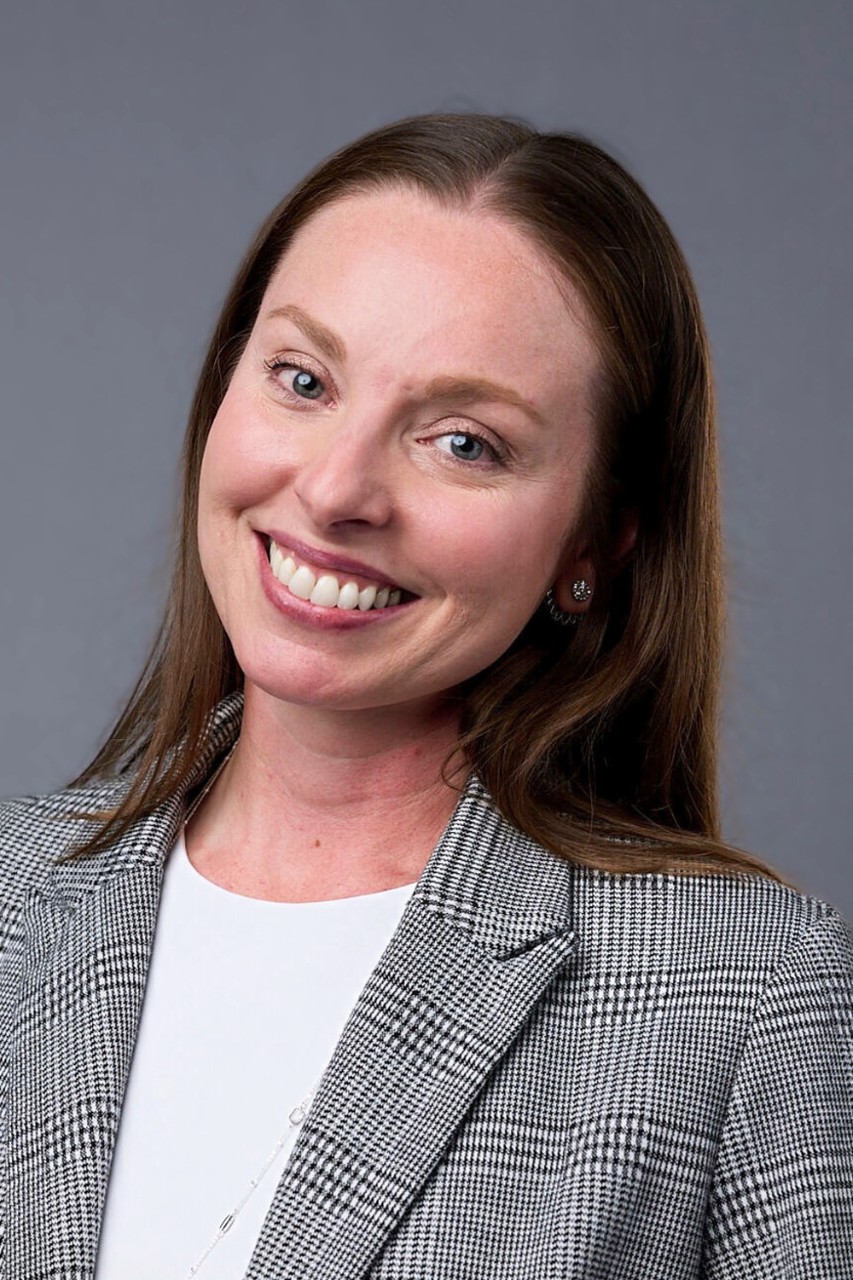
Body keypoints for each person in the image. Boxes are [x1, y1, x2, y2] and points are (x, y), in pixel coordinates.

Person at [0, 113, 850, 1280]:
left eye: (462, 442)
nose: (336, 489)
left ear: (594, 541)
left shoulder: (741, 994)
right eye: (303, 379)